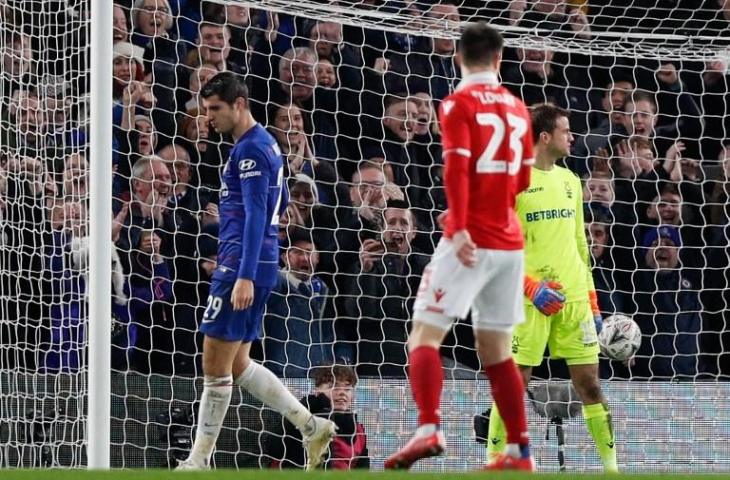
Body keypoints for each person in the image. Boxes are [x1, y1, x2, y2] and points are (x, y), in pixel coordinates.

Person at [384, 23, 534, 471]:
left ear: (458, 57)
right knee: (496, 350)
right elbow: (523, 180)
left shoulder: (456, 103)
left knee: (424, 333)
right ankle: (518, 453)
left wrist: (463, 225)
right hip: (511, 243)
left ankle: (428, 428)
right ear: (499, 58)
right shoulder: (518, 108)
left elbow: (457, 168)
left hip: (471, 239)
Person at [176, 72, 335, 471]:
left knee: (214, 367)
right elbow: (279, 201)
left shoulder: (249, 151)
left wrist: (243, 273)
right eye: (206, 109)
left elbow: (259, 214)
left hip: (239, 266)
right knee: (238, 364)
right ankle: (309, 424)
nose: (208, 117)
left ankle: (199, 460)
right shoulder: (265, 144)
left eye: (216, 109)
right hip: (258, 262)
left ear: (240, 104)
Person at [485, 103, 618, 473]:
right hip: (529, 300)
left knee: (590, 385)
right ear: (544, 137)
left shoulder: (571, 181)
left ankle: (613, 468)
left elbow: (579, 245)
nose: (572, 136)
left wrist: (591, 301)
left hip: (574, 298)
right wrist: (531, 288)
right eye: (565, 130)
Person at [267, 364, 369, 470]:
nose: (342, 392)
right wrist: (304, 407)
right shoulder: (301, 418)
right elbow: (274, 449)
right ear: (317, 391)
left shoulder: (359, 430)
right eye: (333, 386)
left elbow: (363, 470)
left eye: (347, 388)